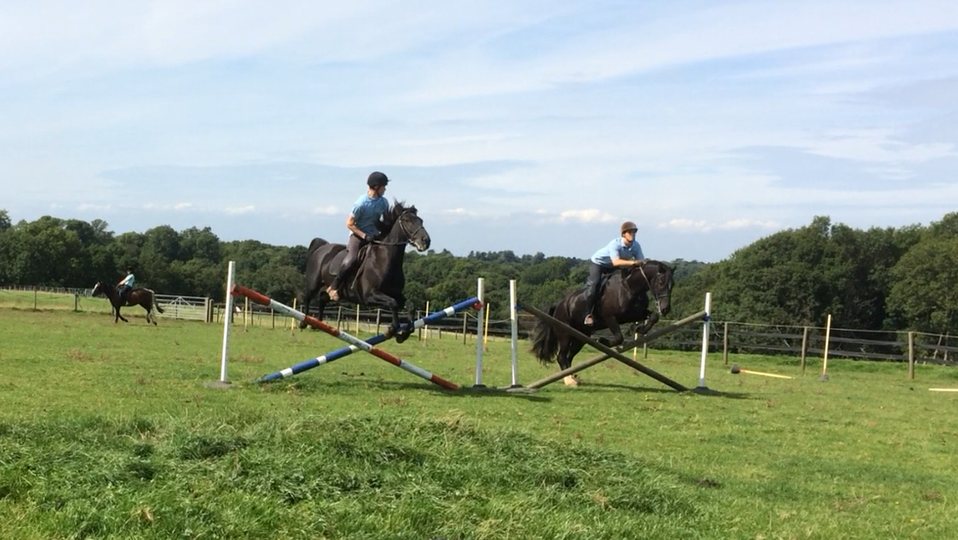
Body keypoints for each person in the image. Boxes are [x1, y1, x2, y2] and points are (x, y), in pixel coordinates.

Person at [326, 171, 391, 301]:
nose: (385, 189)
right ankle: (334, 286)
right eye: (384, 186)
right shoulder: (361, 204)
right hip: (358, 235)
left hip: (374, 235)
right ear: (376, 187)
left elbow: (385, 221)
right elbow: (349, 223)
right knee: (352, 259)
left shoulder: (384, 202)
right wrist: (364, 236)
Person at [582, 221, 646, 326]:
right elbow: (616, 262)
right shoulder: (615, 244)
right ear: (623, 234)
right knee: (594, 285)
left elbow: (641, 262)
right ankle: (588, 314)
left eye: (634, 232)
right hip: (599, 264)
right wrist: (633, 262)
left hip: (612, 266)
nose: (632, 234)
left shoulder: (636, 246)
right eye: (629, 232)